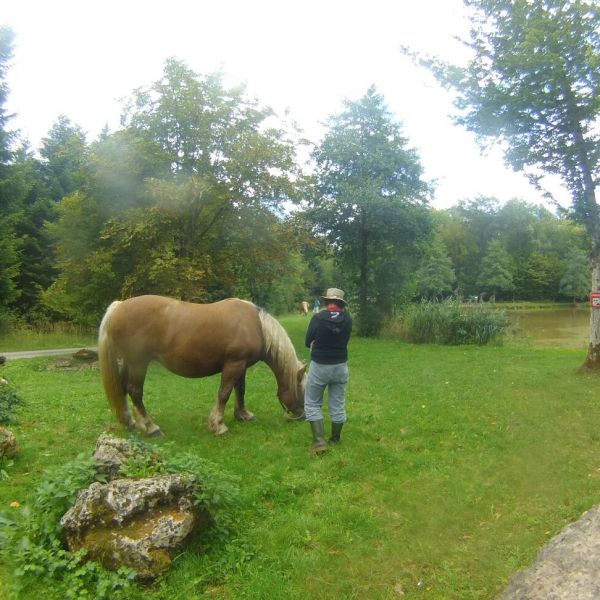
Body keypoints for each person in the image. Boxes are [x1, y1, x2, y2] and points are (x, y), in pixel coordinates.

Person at [304, 287, 352, 454]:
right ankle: (336, 438)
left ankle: (319, 441)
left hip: (320, 366)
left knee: (312, 403)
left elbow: (307, 341)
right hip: (340, 366)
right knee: (337, 403)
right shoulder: (348, 318)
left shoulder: (318, 318)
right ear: (341, 303)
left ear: (327, 302)